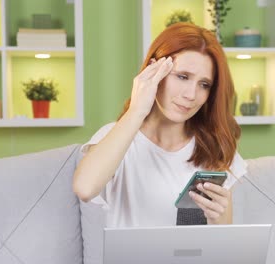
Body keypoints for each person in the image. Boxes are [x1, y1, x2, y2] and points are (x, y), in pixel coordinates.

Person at [73, 22, 247, 227]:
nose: (191, 95)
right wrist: (137, 110)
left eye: (204, 84)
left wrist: (217, 218)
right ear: (155, 70)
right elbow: (84, 188)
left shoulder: (215, 146)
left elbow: (223, 244)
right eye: (182, 76)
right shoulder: (118, 136)